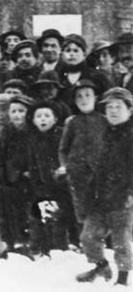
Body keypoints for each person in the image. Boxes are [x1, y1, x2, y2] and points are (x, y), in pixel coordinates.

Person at [76, 87, 133, 286]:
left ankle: (123, 279)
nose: (113, 110)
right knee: (88, 236)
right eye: (109, 107)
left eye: (118, 106)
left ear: (130, 110)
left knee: (121, 241)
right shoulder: (106, 133)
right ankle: (101, 267)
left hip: (123, 197)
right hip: (100, 196)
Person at [58, 80, 107, 228]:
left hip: (100, 172)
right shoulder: (72, 122)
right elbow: (63, 148)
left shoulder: (104, 120)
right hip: (77, 173)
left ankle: (107, 242)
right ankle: (84, 240)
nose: (84, 99)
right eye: (79, 96)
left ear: (96, 98)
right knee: (82, 207)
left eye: (88, 95)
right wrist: (65, 166)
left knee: (103, 206)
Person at [24, 101, 71, 256]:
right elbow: (32, 164)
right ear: (33, 120)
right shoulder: (33, 139)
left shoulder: (62, 135)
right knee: (39, 217)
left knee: (59, 219)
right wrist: (38, 186)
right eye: (39, 116)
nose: (42, 119)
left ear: (55, 119)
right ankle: (41, 250)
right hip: (43, 186)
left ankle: (61, 250)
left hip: (62, 186)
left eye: (47, 116)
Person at [0, 94, 34, 255]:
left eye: (21, 111)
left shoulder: (32, 132)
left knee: (29, 213)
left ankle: (30, 244)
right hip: (9, 181)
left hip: (28, 180)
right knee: (10, 215)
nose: (17, 115)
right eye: (13, 111)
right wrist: (1, 178)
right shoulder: (4, 132)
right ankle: (14, 245)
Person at [58, 34, 113, 114]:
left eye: (76, 50)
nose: (71, 54)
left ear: (84, 54)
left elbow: (109, 99)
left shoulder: (97, 77)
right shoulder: (58, 77)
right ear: (62, 55)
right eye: (68, 50)